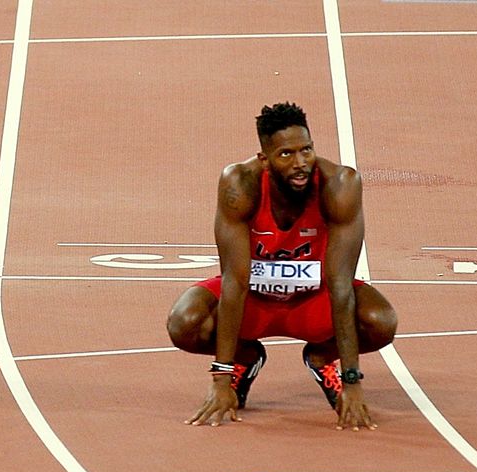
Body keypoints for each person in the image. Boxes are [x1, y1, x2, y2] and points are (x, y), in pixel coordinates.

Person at [166, 102, 397, 430]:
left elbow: (340, 284)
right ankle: (246, 359)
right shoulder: (239, 184)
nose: (300, 163)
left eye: (307, 150)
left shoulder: (340, 185)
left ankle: (321, 358)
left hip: (315, 298)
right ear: (264, 159)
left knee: (380, 321)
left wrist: (351, 380)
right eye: (286, 154)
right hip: (254, 298)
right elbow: (235, 281)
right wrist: (222, 378)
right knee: (185, 323)